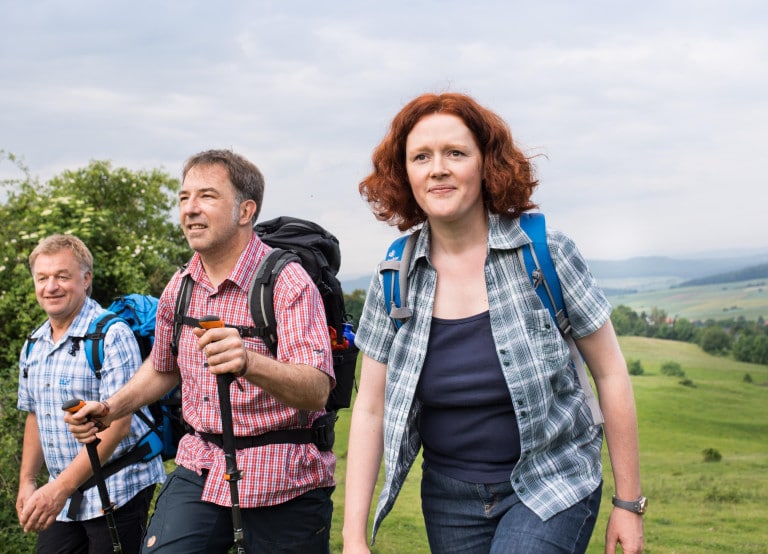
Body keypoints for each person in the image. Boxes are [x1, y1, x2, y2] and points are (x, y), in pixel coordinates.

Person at [342, 93, 645, 554]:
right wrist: (352, 537)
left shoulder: (546, 252)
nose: (437, 168)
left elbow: (610, 372)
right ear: (404, 173)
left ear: (486, 164)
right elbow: (370, 408)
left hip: (552, 482)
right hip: (449, 498)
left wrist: (628, 503)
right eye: (421, 157)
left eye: (456, 153)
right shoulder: (393, 277)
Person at [65, 149, 336, 553]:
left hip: (284, 475)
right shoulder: (181, 287)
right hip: (201, 465)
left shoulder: (286, 283)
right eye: (183, 197)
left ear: (245, 211)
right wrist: (110, 408)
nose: (190, 209)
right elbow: (162, 368)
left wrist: (250, 361)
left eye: (207, 197)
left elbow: (317, 389)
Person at [16, 234, 166, 554]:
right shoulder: (34, 344)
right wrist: (28, 481)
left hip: (118, 487)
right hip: (65, 493)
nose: (51, 286)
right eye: (42, 278)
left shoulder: (111, 335)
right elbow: (34, 414)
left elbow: (118, 424)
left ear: (86, 279)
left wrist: (58, 489)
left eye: (62, 276)